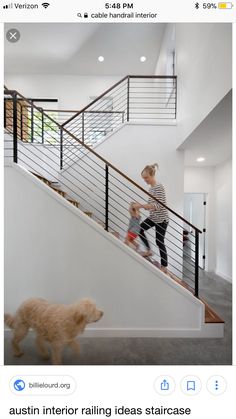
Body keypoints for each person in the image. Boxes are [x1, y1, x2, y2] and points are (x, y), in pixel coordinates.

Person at [133, 163, 169, 273]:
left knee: (159, 241)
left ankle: (164, 266)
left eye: (146, 177)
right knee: (139, 229)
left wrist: (141, 206)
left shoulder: (159, 187)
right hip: (153, 217)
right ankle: (149, 251)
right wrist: (143, 206)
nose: (145, 180)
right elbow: (151, 206)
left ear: (152, 175)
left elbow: (159, 206)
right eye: (143, 178)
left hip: (162, 219)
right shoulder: (151, 189)